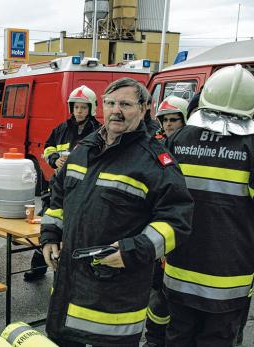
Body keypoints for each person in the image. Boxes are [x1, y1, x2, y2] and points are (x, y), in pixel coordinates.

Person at [40, 77, 193, 347]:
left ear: (145, 107)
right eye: (110, 103)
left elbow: (176, 219)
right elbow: (60, 192)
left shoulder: (154, 162)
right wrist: (51, 233)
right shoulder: (85, 148)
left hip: (114, 301)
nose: (115, 110)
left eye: (125, 103)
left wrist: (134, 250)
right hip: (68, 292)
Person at [164, 64, 254, 347]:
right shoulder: (251, 147)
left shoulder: (179, 139)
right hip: (230, 278)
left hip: (179, 268)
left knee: (178, 336)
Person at [24, 85, 101, 282]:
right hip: (58, 189)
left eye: (83, 108)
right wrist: (55, 159)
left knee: (74, 233)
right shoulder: (62, 129)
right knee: (49, 227)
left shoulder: (99, 132)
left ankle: (67, 274)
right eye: (76, 107)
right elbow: (48, 148)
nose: (79, 111)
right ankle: (39, 267)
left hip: (83, 191)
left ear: (91, 108)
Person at [143, 95, 189, 347]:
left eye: (174, 119)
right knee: (157, 294)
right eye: (165, 120)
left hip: (181, 231)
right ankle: (153, 340)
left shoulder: (190, 150)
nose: (169, 124)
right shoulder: (155, 145)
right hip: (157, 228)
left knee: (176, 295)